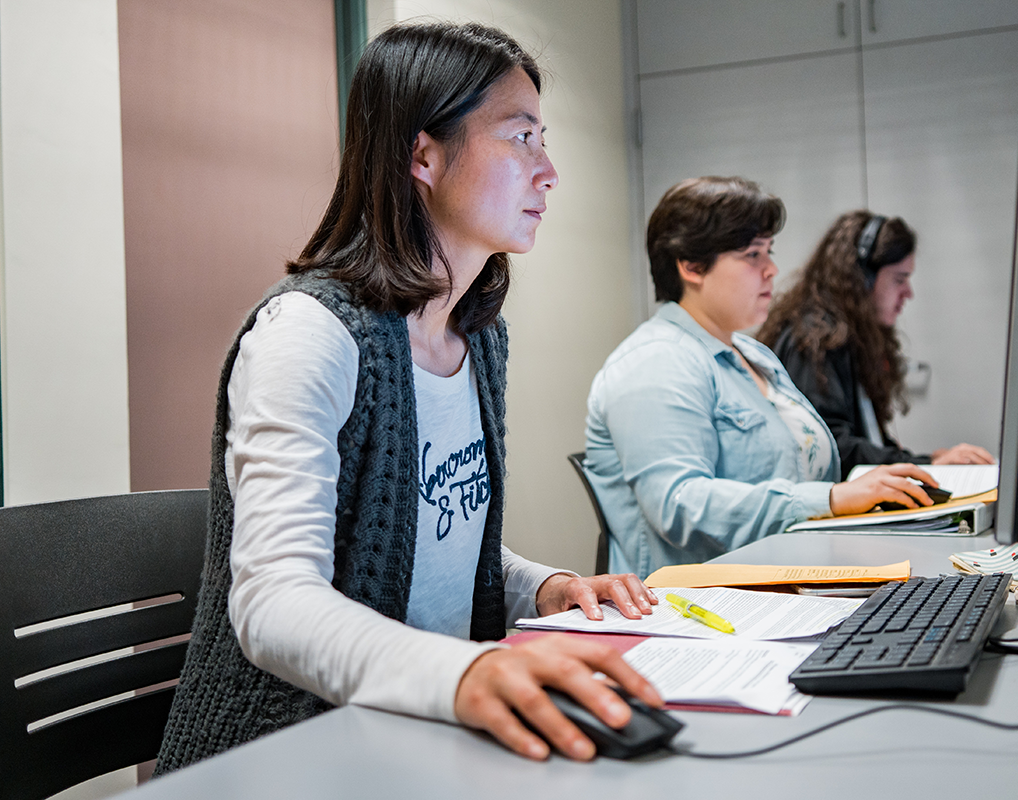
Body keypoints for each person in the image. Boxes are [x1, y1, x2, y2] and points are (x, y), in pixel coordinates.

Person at [157, 22, 664, 770]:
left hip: (415, 740)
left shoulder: (475, 337)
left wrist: (542, 588)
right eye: (521, 139)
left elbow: (437, 548)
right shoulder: (309, 332)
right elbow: (270, 604)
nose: (549, 170)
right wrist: (466, 671)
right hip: (283, 756)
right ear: (422, 154)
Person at [584, 177, 942, 579]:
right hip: (706, 609)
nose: (772, 269)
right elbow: (680, 503)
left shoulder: (752, 353)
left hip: (786, 580)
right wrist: (831, 498)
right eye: (753, 255)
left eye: (769, 252)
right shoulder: (656, 361)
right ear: (691, 265)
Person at [758, 211, 994, 479]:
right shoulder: (813, 338)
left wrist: (924, 461)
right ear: (862, 278)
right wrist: (922, 464)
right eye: (899, 279)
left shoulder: (850, 336)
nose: (909, 293)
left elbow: (867, 442)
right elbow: (832, 446)